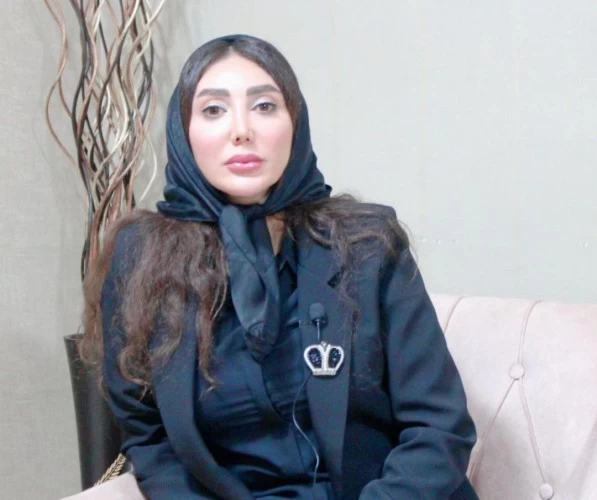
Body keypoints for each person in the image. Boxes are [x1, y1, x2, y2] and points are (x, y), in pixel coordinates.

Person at [82, 34, 479, 499]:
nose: (241, 130)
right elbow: (150, 437)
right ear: (183, 132)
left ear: (295, 123)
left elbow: (439, 426)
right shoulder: (141, 258)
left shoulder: (367, 243)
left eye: (265, 106)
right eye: (213, 109)